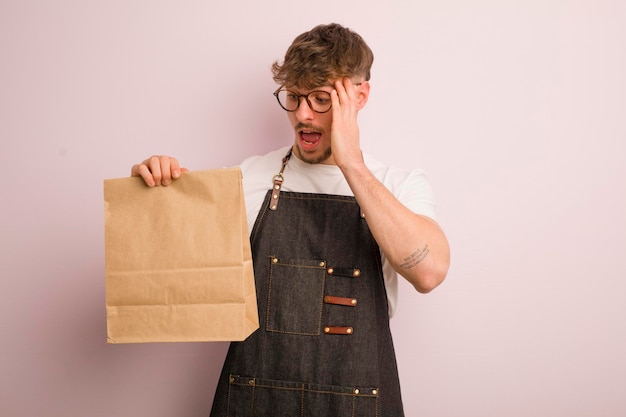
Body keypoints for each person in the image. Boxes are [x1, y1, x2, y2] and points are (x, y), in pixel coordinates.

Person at [131, 23, 449, 417]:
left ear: (359, 96)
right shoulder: (247, 179)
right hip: (254, 401)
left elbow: (430, 272)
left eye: (320, 99)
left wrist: (351, 163)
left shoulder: (397, 186)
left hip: (357, 403)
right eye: (294, 97)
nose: (302, 115)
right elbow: (168, 278)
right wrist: (153, 192)